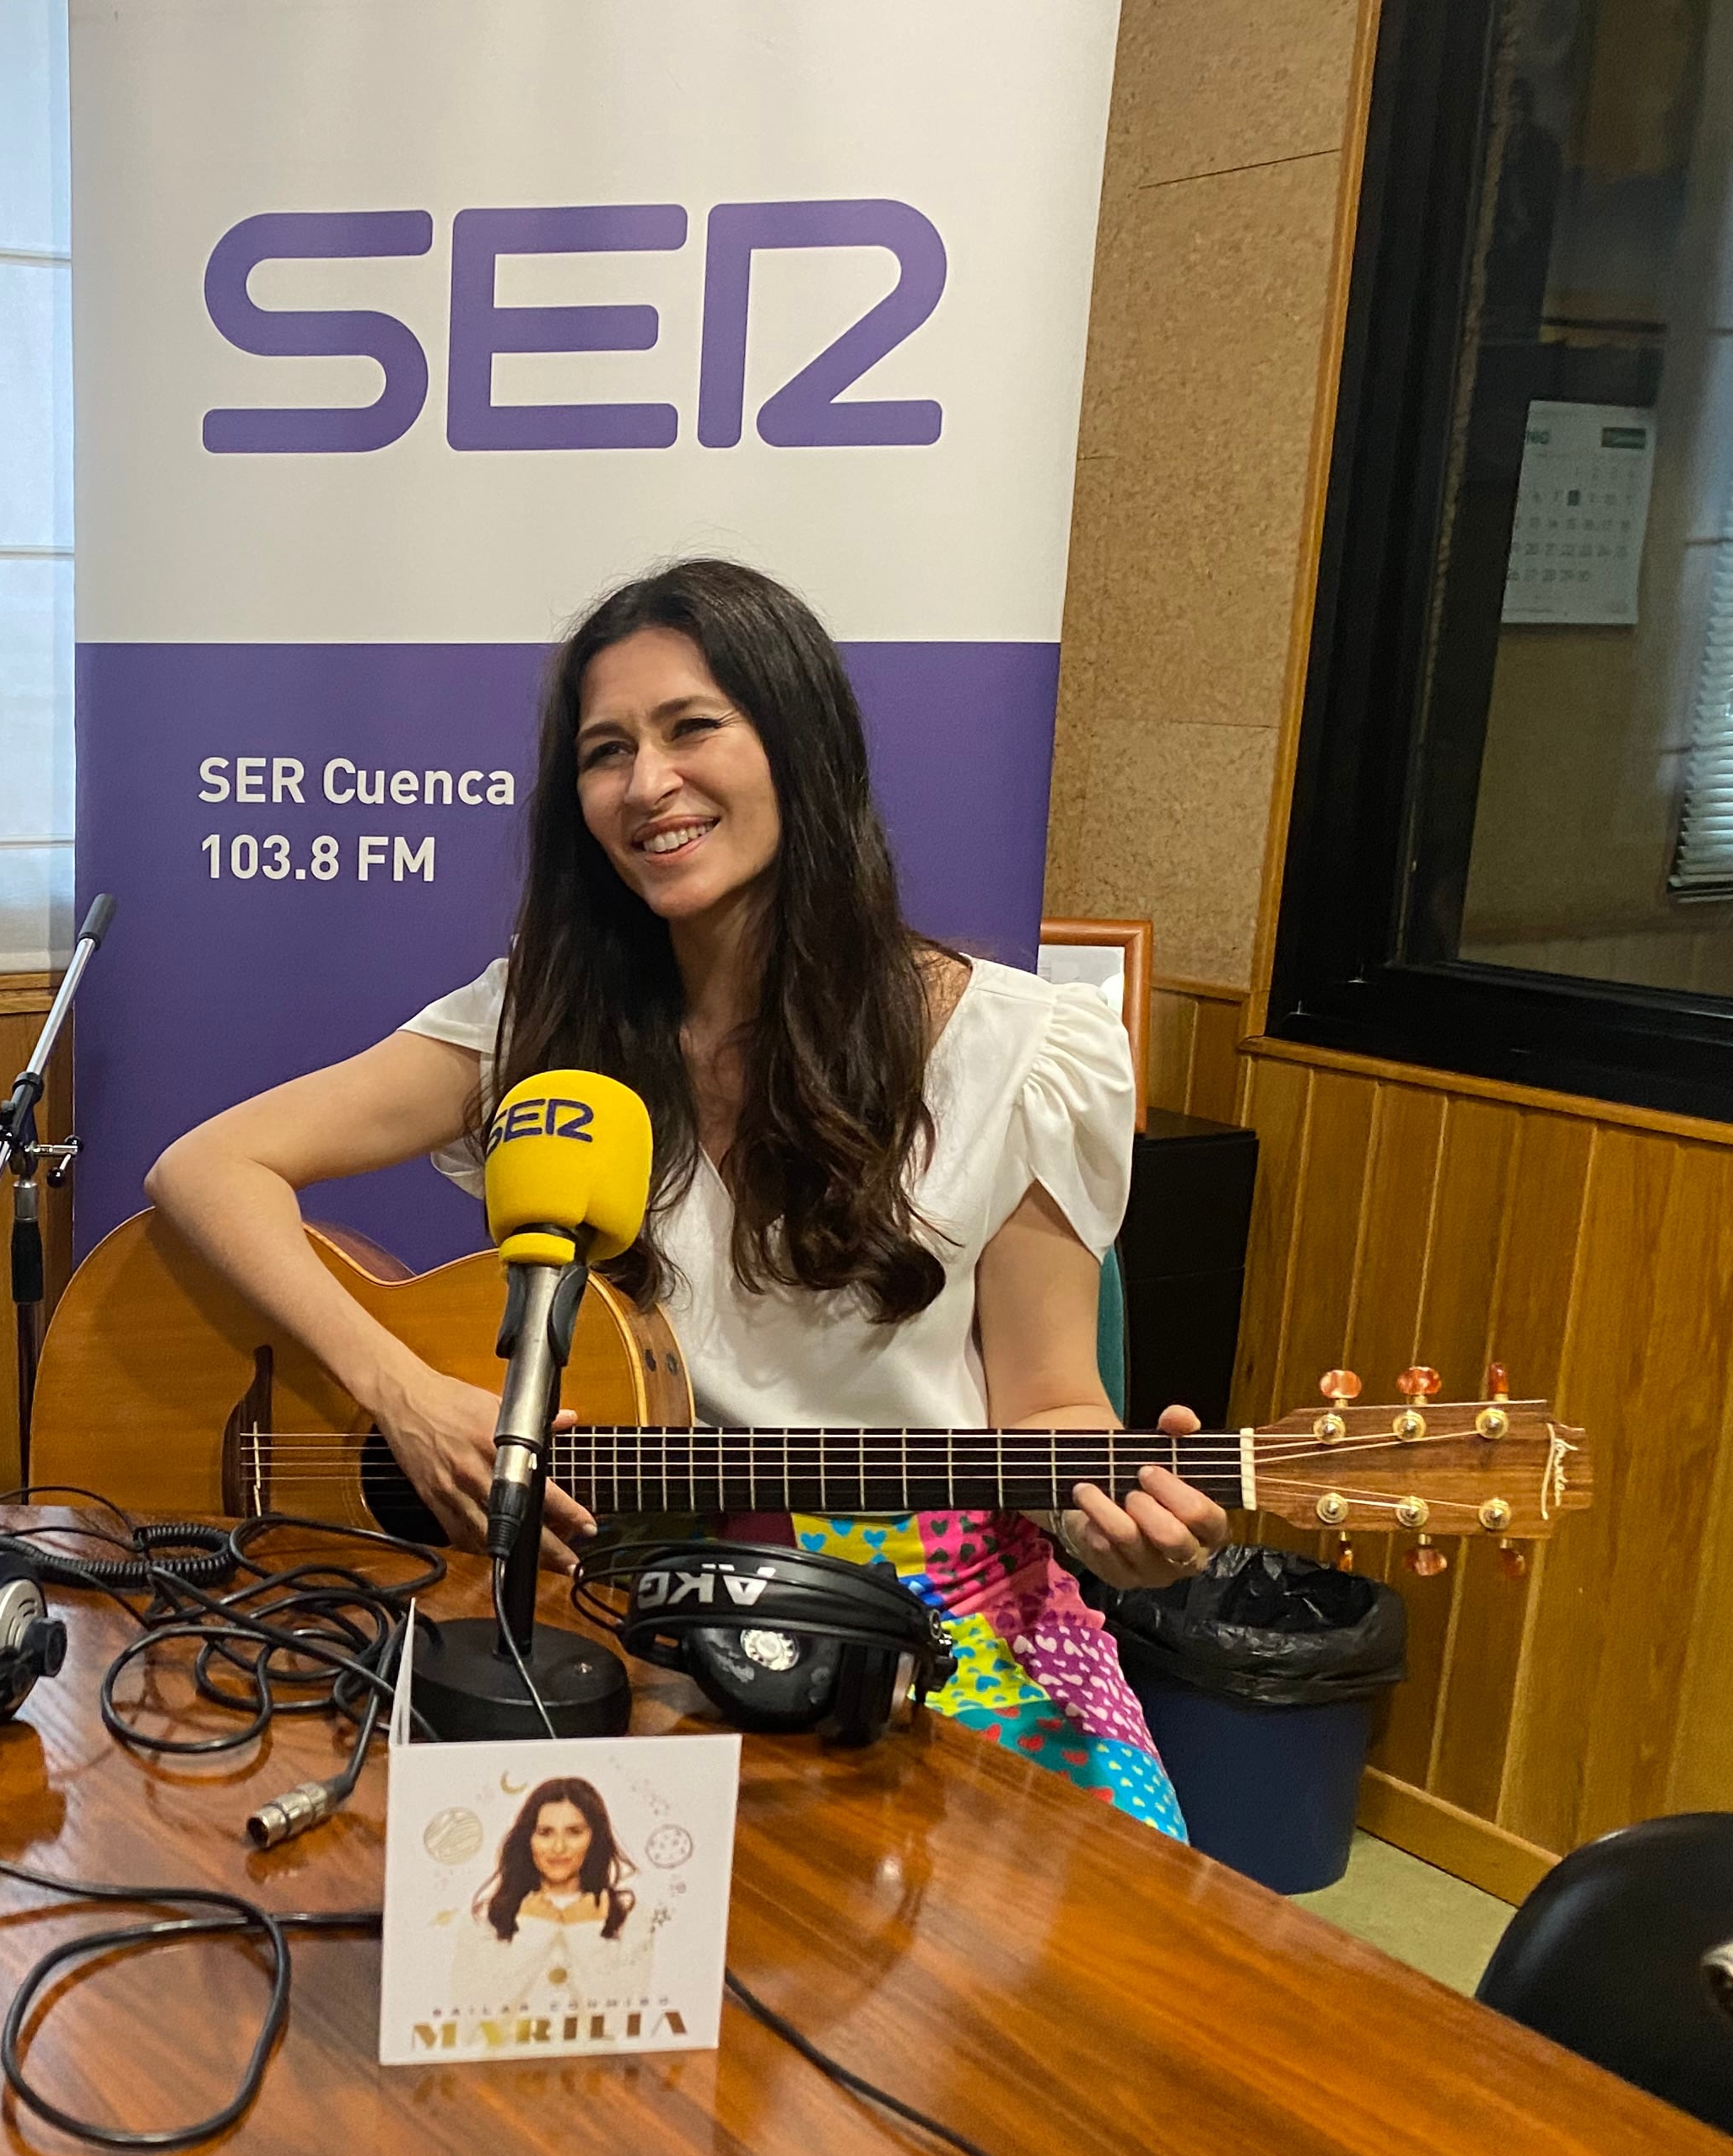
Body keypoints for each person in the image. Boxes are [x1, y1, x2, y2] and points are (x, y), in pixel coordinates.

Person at [145, 560, 1226, 1834]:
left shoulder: (1018, 1051)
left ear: (799, 745)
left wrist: (1114, 1522)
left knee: (1083, 1963)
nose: (646, 783)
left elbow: (1050, 1403)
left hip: (923, 1611)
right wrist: (400, 1391)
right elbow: (206, 1167)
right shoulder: (536, 1021)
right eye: (606, 751)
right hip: (615, 1591)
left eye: (691, 728)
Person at [445, 1776, 651, 2016]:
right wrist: (533, 1931)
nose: (559, 1848)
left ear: (594, 1837)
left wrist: (585, 1932)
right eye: (545, 1832)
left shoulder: (630, 1916)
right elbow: (469, 2022)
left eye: (574, 1832)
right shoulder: (484, 1917)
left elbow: (620, 2022)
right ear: (528, 1838)